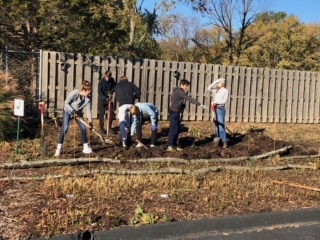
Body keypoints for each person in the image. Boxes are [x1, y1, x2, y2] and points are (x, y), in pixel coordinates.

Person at [54, 80, 93, 157]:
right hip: (68, 111)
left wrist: (90, 122)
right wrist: (72, 111)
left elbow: (89, 111)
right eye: (89, 93)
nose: (89, 95)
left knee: (83, 128)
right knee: (65, 128)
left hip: (78, 113)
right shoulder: (75, 93)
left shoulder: (88, 99)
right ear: (84, 90)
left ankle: (85, 148)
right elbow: (66, 103)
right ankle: (59, 148)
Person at [167, 79, 206, 151]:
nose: (187, 87)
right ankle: (170, 145)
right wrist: (199, 104)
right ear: (181, 85)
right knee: (173, 129)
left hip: (177, 111)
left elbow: (176, 101)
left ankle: (174, 145)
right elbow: (189, 99)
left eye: (187, 86)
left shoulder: (179, 91)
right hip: (174, 112)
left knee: (177, 129)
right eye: (186, 86)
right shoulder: (180, 92)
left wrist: (181, 106)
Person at [115, 75, 141, 147]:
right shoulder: (130, 84)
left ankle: (124, 142)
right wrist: (134, 98)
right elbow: (138, 92)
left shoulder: (117, 86)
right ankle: (132, 135)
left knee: (122, 122)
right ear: (126, 79)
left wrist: (121, 100)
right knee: (134, 120)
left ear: (120, 80)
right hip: (130, 104)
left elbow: (117, 96)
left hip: (122, 105)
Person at [207, 78, 229, 148]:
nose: (217, 84)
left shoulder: (225, 91)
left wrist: (215, 102)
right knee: (216, 126)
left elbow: (224, 101)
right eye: (217, 83)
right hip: (215, 108)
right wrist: (215, 81)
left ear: (222, 83)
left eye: (219, 83)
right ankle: (218, 140)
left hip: (220, 109)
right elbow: (209, 88)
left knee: (220, 126)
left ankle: (224, 141)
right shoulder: (216, 90)